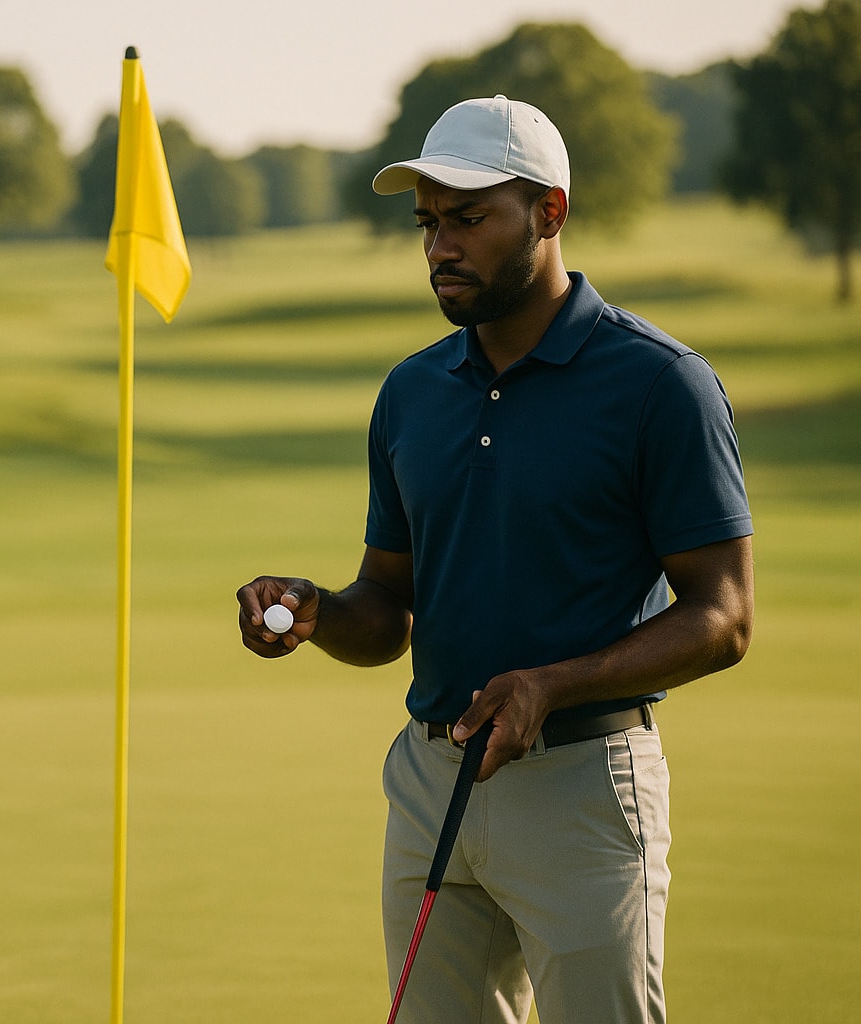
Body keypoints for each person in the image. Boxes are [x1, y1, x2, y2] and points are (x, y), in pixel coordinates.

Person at [236, 95, 754, 1022]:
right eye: (429, 222)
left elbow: (724, 617)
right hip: (432, 785)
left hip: (584, 789)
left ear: (549, 213)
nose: (441, 245)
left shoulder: (661, 385)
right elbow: (388, 607)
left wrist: (551, 684)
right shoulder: (412, 392)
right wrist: (320, 612)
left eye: (470, 218)